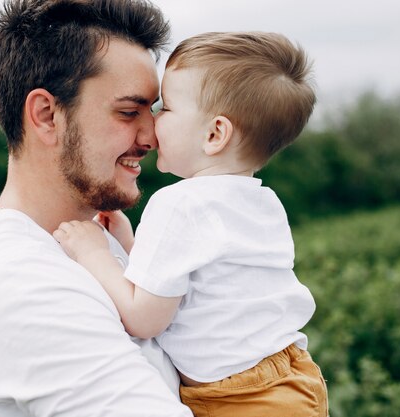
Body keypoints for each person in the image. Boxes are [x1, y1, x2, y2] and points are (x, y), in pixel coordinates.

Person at [54, 31, 328, 417]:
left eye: (165, 108)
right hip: (293, 376)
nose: (151, 125)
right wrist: (133, 246)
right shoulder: (260, 201)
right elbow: (194, 285)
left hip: (243, 398)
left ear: (215, 134)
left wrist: (93, 253)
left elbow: (145, 318)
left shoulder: (179, 204)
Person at [0, 0, 193, 416]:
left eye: (151, 112)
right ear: (46, 115)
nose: (151, 136)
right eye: (129, 112)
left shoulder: (94, 239)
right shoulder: (23, 284)